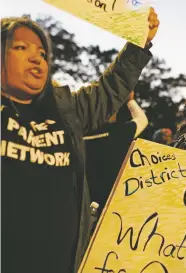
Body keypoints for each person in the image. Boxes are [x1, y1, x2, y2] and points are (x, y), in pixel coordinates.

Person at [1, 10, 159, 273]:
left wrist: (138, 43)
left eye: (42, 53)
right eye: (21, 47)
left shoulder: (66, 110)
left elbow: (110, 88)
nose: (37, 59)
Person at [85, 90, 148, 212]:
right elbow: (142, 119)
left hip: (81, 204)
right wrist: (130, 100)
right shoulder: (119, 132)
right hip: (111, 204)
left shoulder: (77, 135)